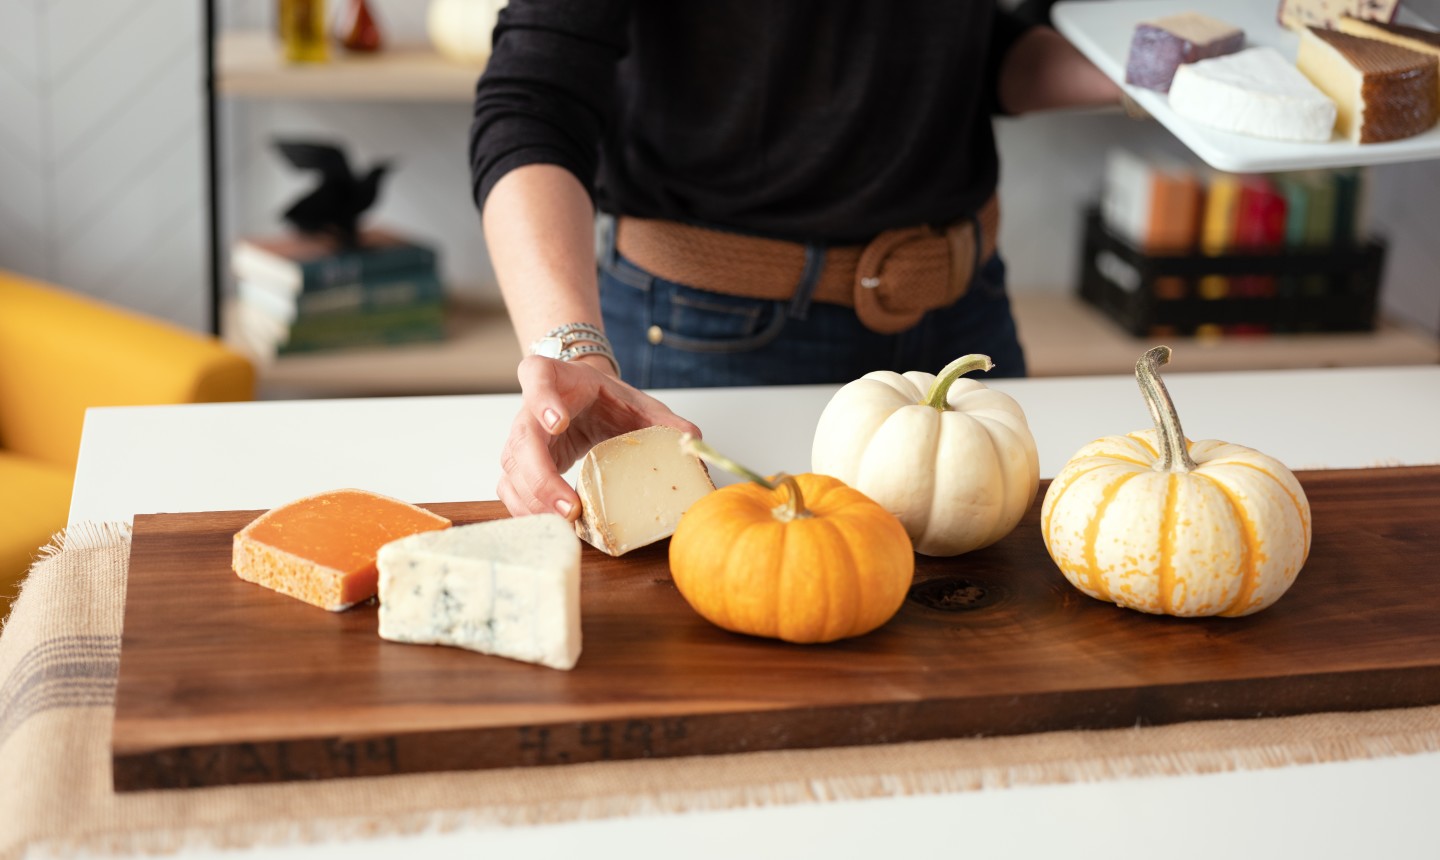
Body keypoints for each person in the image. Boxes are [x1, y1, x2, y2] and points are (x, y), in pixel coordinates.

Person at [469, 1, 1121, 521]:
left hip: (962, 312)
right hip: (717, 333)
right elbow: (533, 97)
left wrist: (1134, 65)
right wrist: (570, 350)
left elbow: (947, 43)